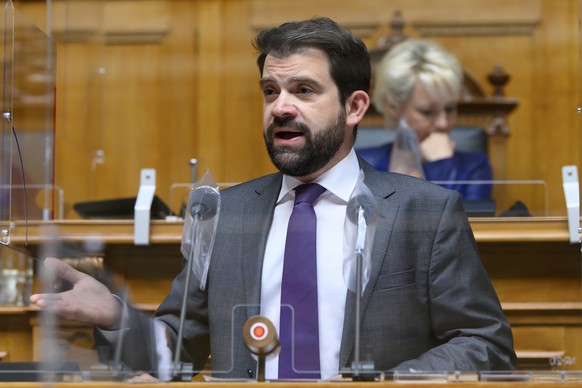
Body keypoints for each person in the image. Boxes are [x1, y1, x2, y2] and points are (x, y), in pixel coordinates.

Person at [30, 17, 516, 380]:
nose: (281, 106)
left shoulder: (425, 212)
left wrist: (394, 382)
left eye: (303, 90)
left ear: (355, 106)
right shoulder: (226, 213)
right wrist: (115, 316)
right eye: (270, 91)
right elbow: (178, 349)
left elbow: (484, 343)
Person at [356, 38, 493, 200]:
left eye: (449, 109)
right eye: (427, 112)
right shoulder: (361, 165)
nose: (443, 123)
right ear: (393, 107)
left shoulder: (474, 168)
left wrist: (442, 167)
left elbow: (455, 223)